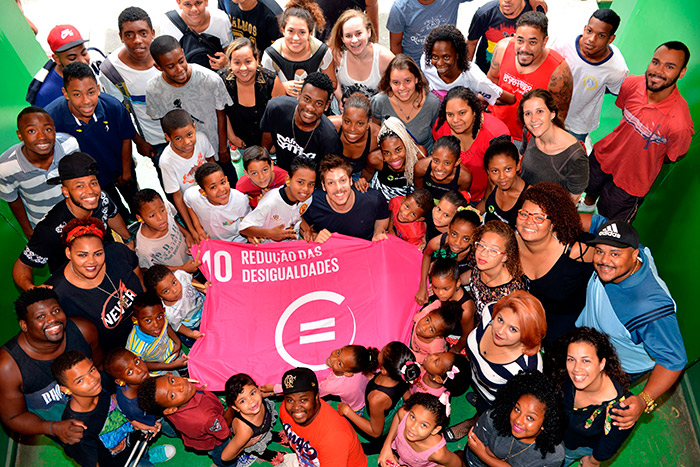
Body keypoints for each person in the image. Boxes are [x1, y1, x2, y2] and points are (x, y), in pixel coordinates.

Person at [576, 219, 687, 430]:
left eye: (615, 254)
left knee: (583, 411)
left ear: (634, 254)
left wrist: (644, 399)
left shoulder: (649, 309)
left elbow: (674, 360)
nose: (604, 260)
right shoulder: (632, 248)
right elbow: (596, 222)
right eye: (599, 251)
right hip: (586, 336)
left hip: (613, 367)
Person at [581, 42, 693, 222]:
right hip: (605, 156)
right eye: (656, 62)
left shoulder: (680, 122)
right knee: (589, 188)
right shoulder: (632, 83)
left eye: (670, 66)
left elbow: (674, 156)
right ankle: (586, 206)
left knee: (610, 224)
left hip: (632, 183)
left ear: (682, 72)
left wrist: (646, 156)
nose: (659, 70)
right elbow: (624, 108)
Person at [12, 152, 131, 292]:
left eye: (93, 183)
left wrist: (128, 239)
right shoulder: (50, 228)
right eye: (80, 186)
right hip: (75, 286)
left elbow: (111, 215)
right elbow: (22, 266)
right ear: (65, 191)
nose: (90, 191)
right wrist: (31, 288)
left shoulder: (102, 198)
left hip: (105, 265)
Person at [0, 288, 100, 444]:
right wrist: (53, 428)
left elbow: (100, 367)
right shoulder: (8, 366)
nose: (52, 319)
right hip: (66, 430)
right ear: (24, 325)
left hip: (104, 410)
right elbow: (13, 416)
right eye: (40, 316)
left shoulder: (84, 331)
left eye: (56, 311)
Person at [45, 62, 139, 221]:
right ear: (65, 93)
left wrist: (126, 172)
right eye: (77, 94)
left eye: (91, 92)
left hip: (120, 167)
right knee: (112, 209)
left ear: (98, 88)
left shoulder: (113, 107)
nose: (86, 101)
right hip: (92, 179)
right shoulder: (52, 118)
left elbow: (126, 137)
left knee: (136, 202)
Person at [448, 291, 546, 441]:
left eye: (513, 329)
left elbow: (517, 401)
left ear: (526, 335)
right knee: (479, 396)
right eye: (500, 319)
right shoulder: (489, 311)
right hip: (476, 381)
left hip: (494, 399)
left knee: (486, 410)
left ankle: (474, 420)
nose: (499, 331)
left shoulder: (528, 367)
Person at [146, 35, 237, 184]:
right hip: (185, 159)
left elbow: (221, 114)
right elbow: (164, 122)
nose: (180, 69)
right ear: (158, 66)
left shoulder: (210, 79)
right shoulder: (153, 89)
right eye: (170, 66)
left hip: (215, 150)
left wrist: (222, 149)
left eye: (181, 61)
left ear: (183, 52)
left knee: (229, 187)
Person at [45, 217, 144, 353]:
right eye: (82, 255)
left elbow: (137, 274)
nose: (91, 262)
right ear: (68, 253)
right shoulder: (58, 294)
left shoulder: (117, 253)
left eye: (98, 254)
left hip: (153, 333)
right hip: (121, 358)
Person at [516, 182, 594, 342]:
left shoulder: (575, 251)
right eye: (524, 214)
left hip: (566, 320)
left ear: (553, 224)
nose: (529, 222)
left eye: (539, 217)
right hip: (530, 315)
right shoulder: (512, 241)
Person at [51, 351, 155, 467]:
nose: (92, 379)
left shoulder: (101, 386)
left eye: (91, 370)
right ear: (66, 390)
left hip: (135, 442)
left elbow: (118, 404)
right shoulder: (74, 428)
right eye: (80, 380)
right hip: (121, 463)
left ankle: (146, 456)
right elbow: (92, 463)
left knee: (143, 454)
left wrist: (138, 423)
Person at [550, 327, 634, 466]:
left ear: (602, 363)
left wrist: (593, 461)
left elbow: (610, 443)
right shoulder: (565, 376)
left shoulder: (620, 408)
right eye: (571, 359)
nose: (576, 368)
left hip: (572, 448)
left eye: (586, 361)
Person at [487, 11, 573, 143]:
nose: (524, 48)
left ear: (544, 42)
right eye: (520, 40)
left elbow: (558, 116)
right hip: (492, 127)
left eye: (532, 43)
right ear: (514, 37)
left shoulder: (559, 72)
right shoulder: (502, 49)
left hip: (526, 139)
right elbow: (489, 85)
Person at [549, 9, 628, 142]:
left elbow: (614, 89)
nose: (591, 39)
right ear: (585, 28)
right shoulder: (564, 43)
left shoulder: (617, 68)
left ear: (611, 39)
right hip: (550, 113)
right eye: (589, 31)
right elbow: (548, 68)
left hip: (579, 125)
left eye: (601, 36)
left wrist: (589, 90)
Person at [0, 106, 78, 238]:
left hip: (78, 217)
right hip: (44, 226)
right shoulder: (6, 168)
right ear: (20, 135)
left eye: (47, 129)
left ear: (54, 130)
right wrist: (28, 230)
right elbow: (13, 200)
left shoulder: (69, 145)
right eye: (31, 131)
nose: (42, 137)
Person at [100, 7, 164, 165]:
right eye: (129, 35)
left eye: (143, 33)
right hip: (154, 141)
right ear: (121, 37)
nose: (137, 40)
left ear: (153, 33)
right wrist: (138, 141)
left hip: (189, 132)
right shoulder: (111, 71)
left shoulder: (168, 54)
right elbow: (120, 114)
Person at [464, 369, 565, 467]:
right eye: (517, 409)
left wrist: (484, 455)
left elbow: (479, 449)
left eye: (530, 418)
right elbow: (474, 448)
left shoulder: (554, 454)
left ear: (545, 423)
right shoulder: (494, 417)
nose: (518, 420)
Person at [432, 87, 510, 202]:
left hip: (485, 198)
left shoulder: (495, 135)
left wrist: (483, 205)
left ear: (474, 111)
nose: (455, 120)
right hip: (448, 195)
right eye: (450, 114)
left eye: (462, 113)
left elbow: (503, 178)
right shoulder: (441, 127)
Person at [336, 342, 420, 447]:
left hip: (380, 423)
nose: (382, 348)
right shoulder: (402, 374)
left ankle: (377, 446)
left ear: (384, 370)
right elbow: (404, 391)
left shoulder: (376, 398)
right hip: (392, 405)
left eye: (383, 350)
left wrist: (347, 411)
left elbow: (375, 432)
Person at [279, 367, 367, 466]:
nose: (296, 407)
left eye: (303, 400)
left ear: (316, 397)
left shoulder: (334, 437)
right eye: (290, 400)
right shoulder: (284, 410)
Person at [137, 375, 232, 466]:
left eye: (172, 381)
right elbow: (223, 431)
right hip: (215, 442)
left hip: (201, 432)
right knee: (224, 454)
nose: (180, 386)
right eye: (172, 395)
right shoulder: (205, 418)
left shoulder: (178, 402)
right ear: (170, 409)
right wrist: (233, 406)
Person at [260, 71, 342, 172]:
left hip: (309, 183)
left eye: (319, 103)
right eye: (307, 99)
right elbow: (266, 142)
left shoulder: (329, 136)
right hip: (281, 173)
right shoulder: (276, 108)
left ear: (326, 106)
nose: (310, 108)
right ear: (299, 95)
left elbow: (327, 171)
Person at [518, 89, 588, 201]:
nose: (533, 119)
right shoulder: (529, 132)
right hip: (523, 201)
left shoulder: (575, 157)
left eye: (539, 111)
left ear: (552, 114)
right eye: (528, 113)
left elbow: (571, 200)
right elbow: (521, 156)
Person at [301, 154, 389, 242]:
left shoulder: (373, 198)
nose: (338, 188)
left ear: (351, 181)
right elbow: (298, 220)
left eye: (342, 180)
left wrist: (378, 232)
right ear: (323, 186)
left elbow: (382, 216)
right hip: (331, 253)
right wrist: (313, 236)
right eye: (331, 183)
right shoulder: (313, 201)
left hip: (365, 251)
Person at [220, 38, 285, 152]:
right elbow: (222, 112)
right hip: (237, 145)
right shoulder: (223, 81)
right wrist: (232, 137)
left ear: (257, 60)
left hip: (269, 147)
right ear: (230, 63)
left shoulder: (271, 82)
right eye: (237, 62)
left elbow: (281, 118)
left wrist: (273, 146)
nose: (243, 68)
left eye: (248, 61)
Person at [260, 0, 337, 97]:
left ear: (310, 33)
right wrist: (282, 87)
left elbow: (333, 84)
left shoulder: (322, 52)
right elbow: (264, 88)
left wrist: (314, 88)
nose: (296, 38)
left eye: (302, 32)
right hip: (283, 107)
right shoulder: (271, 55)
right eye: (291, 31)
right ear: (283, 30)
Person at [158, 109, 215, 238]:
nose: (187, 142)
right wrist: (192, 228)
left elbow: (213, 164)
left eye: (190, 134)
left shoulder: (201, 139)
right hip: (193, 206)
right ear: (167, 137)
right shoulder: (167, 161)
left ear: (194, 127)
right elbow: (177, 197)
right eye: (178, 138)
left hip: (213, 195)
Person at [371, 54, 441, 153]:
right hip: (391, 158)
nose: (402, 88)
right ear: (389, 83)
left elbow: (438, 134)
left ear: (416, 79)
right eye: (396, 82)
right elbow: (374, 130)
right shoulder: (379, 101)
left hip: (422, 158)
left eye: (407, 81)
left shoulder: (432, 103)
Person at [421, 24, 505, 105]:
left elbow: (506, 98)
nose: (440, 63)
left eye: (446, 57)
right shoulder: (426, 63)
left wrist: (478, 101)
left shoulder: (474, 76)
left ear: (458, 54)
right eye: (435, 57)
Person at [239, 155, 316, 242]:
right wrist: (269, 234)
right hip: (272, 248)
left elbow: (296, 213)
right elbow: (243, 228)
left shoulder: (307, 198)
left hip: (293, 243)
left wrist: (306, 228)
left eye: (311, 184)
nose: (305, 189)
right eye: (300, 182)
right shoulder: (270, 203)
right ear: (288, 180)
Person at [464, 220, 525, 325]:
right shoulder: (479, 262)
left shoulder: (511, 293)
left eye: (493, 250)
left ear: (505, 256)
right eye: (481, 245)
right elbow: (470, 275)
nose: (483, 253)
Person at [417, 204, 480, 305]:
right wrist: (423, 286)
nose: (457, 242)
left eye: (466, 239)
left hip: (457, 285)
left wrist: (453, 285)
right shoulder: (438, 242)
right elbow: (426, 255)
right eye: (454, 234)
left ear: (474, 237)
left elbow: (476, 272)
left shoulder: (477, 252)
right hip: (437, 281)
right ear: (449, 228)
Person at [379, 393, 463, 467]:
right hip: (399, 454)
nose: (413, 427)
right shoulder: (404, 414)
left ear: (435, 430)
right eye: (412, 417)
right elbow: (398, 416)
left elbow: (457, 464)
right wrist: (386, 446)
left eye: (423, 425)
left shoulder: (438, 453)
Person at [330, 9, 394, 103]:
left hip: (377, 113)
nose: (354, 40)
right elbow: (331, 80)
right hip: (343, 110)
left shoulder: (385, 58)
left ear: (369, 32)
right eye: (348, 36)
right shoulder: (336, 54)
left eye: (358, 33)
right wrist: (340, 99)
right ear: (342, 38)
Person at [220, 373, 284, 465]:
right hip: (253, 439)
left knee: (265, 433)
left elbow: (264, 393)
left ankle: (272, 436)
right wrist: (246, 445)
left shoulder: (258, 399)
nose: (251, 401)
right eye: (242, 401)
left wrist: (273, 392)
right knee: (258, 445)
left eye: (252, 393)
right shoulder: (245, 432)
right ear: (236, 408)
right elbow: (225, 457)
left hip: (262, 429)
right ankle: (264, 454)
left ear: (257, 389)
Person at [133, 189, 199, 272]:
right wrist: (182, 269)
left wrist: (187, 235)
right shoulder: (144, 249)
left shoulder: (167, 207)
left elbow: (173, 219)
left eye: (162, 210)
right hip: (179, 276)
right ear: (140, 218)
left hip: (192, 258)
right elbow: (150, 268)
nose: (161, 218)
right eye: (152, 215)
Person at [386, 0, 471, 64]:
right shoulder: (400, 8)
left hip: (447, 62)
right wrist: (404, 69)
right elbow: (396, 45)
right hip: (416, 65)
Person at [27, 24, 90, 108]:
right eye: (72, 58)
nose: (82, 61)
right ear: (57, 59)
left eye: (84, 53)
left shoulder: (83, 72)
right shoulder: (47, 94)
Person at [467, 0, 538, 74]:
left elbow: (539, 46)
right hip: (485, 72)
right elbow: (471, 43)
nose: (507, 0)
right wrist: (465, 74)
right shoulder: (484, 13)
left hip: (517, 76)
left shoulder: (534, 11)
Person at [184, 162, 250, 241]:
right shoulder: (193, 195)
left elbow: (249, 220)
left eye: (223, 182)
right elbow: (188, 202)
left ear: (227, 179)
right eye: (213, 187)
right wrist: (198, 227)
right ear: (203, 192)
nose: (221, 189)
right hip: (213, 242)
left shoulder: (241, 200)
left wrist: (250, 235)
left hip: (238, 241)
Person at [125, 292, 187, 375]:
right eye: (148, 320)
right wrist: (170, 366)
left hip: (174, 352)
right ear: (135, 320)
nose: (156, 324)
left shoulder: (162, 319)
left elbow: (166, 326)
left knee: (187, 368)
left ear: (163, 311)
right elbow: (143, 364)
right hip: (160, 369)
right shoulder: (135, 347)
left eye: (159, 317)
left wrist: (178, 343)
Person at [144, 264, 205, 346]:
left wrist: (204, 288)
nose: (175, 290)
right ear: (159, 297)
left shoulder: (181, 275)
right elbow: (178, 326)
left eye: (174, 282)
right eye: (166, 291)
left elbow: (192, 281)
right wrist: (191, 334)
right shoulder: (170, 313)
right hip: (194, 326)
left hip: (206, 307)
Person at [161, 0, 233, 70]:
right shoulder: (169, 25)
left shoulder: (221, 20)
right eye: (187, 4)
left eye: (198, 3)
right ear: (179, 3)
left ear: (206, 1)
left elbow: (229, 49)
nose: (194, 9)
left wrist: (226, 63)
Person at [422, 258, 474, 353]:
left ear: (457, 283)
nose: (440, 293)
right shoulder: (439, 292)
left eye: (446, 289)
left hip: (458, 340)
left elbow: (467, 335)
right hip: (443, 330)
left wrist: (455, 349)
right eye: (436, 287)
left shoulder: (466, 309)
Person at [369, 117, 426, 202]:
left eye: (398, 150)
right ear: (381, 151)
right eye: (387, 153)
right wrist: (361, 182)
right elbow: (365, 178)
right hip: (382, 195)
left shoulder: (419, 155)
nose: (394, 157)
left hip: (410, 195)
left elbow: (421, 186)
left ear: (406, 144)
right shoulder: (374, 159)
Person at [329, 92, 382, 182]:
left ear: (368, 123)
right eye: (347, 121)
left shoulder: (376, 136)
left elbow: (369, 170)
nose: (352, 129)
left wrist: (361, 181)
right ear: (342, 118)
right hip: (330, 174)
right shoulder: (330, 127)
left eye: (360, 123)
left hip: (359, 176)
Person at [477, 136, 528, 227]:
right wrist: (467, 218)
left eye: (508, 169)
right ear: (488, 171)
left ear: (518, 166)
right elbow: (485, 201)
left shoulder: (528, 197)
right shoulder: (493, 182)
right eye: (495, 171)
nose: (502, 177)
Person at [414, 135, 473, 202]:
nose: (439, 168)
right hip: (425, 202)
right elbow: (418, 193)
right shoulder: (421, 167)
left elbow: (458, 202)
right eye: (436, 161)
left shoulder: (464, 177)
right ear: (432, 155)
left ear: (457, 162)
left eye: (447, 163)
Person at [217, 0, 282, 53]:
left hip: (261, 64)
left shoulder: (273, 15)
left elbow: (278, 53)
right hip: (234, 58)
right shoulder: (225, 2)